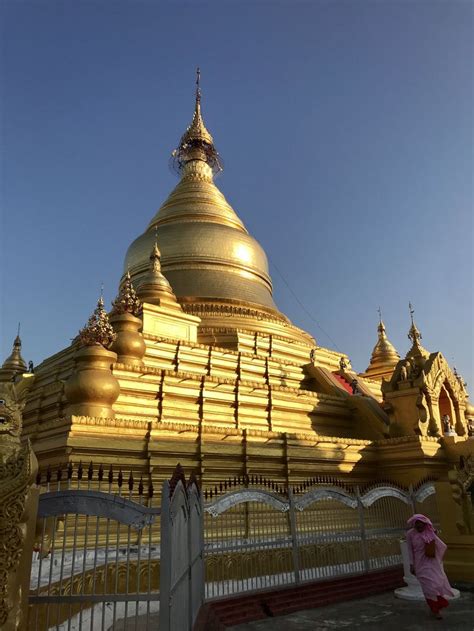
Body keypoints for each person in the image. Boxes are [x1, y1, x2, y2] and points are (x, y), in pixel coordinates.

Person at [406, 514, 454, 619]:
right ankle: (435, 610)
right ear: (414, 524)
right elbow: (409, 550)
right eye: (417, 524)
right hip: (419, 564)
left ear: (425, 524)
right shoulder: (410, 534)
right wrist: (411, 565)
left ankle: (435, 608)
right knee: (428, 588)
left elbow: (442, 546)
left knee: (436, 584)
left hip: (431, 563)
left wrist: (433, 537)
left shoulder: (429, 532)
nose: (419, 526)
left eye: (421, 524)